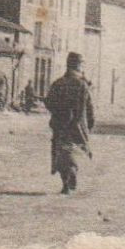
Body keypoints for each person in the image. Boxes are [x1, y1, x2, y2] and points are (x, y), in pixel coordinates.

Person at [45, 51, 96, 195]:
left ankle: (65, 181)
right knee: (75, 150)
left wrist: (58, 112)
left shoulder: (58, 83)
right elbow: (90, 108)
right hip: (78, 126)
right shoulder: (82, 85)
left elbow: (49, 102)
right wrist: (90, 124)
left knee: (60, 152)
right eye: (81, 64)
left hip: (60, 125)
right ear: (78, 66)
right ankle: (72, 171)